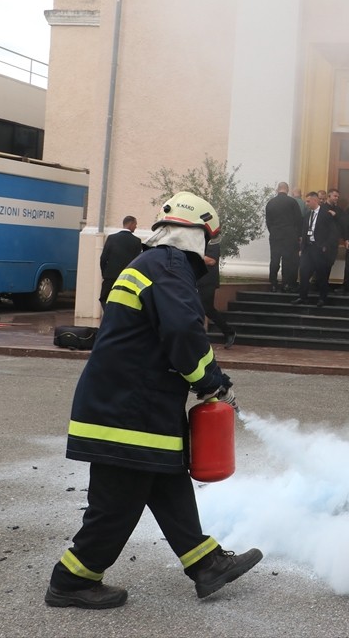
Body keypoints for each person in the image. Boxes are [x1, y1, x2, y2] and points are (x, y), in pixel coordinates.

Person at [46, 191, 262, 609]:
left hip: (131, 403)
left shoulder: (150, 263)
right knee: (117, 504)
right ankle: (71, 580)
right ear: (199, 236)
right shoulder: (168, 266)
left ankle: (206, 564)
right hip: (128, 408)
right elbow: (183, 332)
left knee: (166, 481)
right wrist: (212, 381)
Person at [293, 191, 339, 306]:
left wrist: (325, 246)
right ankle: (302, 297)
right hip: (307, 248)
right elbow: (304, 232)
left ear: (315, 200)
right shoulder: (308, 215)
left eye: (308, 201)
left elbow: (333, 233)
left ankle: (322, 298)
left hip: (319, 249)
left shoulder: (325, 214)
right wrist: (301, 248)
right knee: (303, 272)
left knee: (321, 275)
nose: (306, 203)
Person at [198, 238, 236, 350]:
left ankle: (229, 332)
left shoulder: (213, 241)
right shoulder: (196, 239)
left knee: (207, 309)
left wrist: (192, 255)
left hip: (207, 281)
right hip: (195, 279)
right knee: (193, 308)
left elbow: (211, 260)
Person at [265, 181, 303, 293]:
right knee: (287, 260)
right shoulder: (292, 202)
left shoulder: (270, 203)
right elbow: (298, 219)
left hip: (275, 235)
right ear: (287, 190)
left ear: (277, 189)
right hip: (289, 236)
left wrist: (273, 231)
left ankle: (273, 284)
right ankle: (285, 284)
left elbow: (268, 221)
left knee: (274, 259)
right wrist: (299, 235)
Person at [98, 216, 141, 305]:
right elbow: (137, 262)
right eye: (135, 224)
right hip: (127, 280)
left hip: (110, 277)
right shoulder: (136, 241)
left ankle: (108, 316)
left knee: (105, 299)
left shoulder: (111, 238)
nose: (136, 227)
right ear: (131, 224)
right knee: (123, 302)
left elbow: (103, 258)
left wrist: (105, 274)